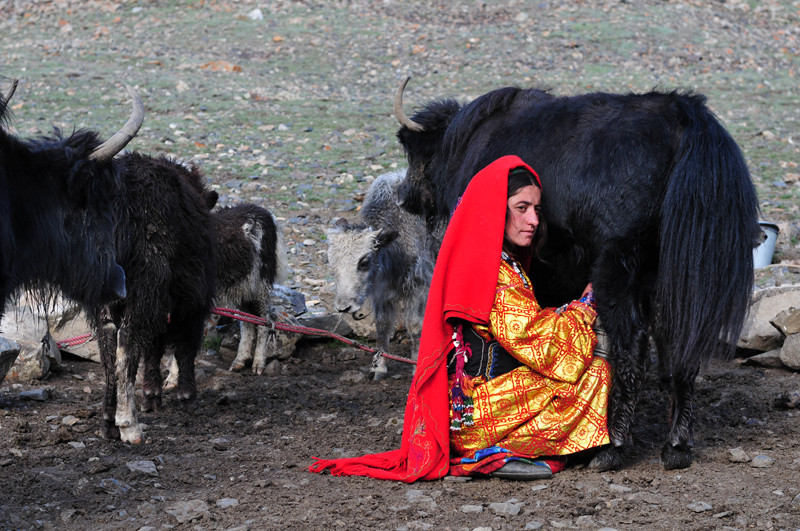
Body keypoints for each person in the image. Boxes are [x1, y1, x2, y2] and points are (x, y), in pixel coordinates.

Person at [309, 155, 611, 482]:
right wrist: (587, 304)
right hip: (479, 418)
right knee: (594, 370)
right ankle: (500, 453)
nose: (534, 220)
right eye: (522, 208)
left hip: (463, 409)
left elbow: (521, 325)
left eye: (537, 210)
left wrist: (563, 313)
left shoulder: (489, 261)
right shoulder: (495, 272)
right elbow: (540, 345)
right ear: (496, 207)